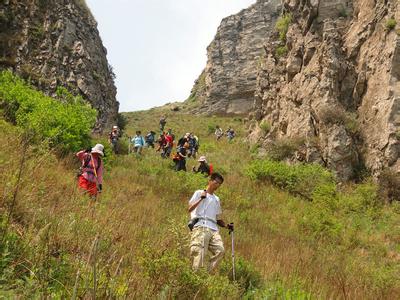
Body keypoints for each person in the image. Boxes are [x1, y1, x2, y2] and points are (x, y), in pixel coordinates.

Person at [188, 173, 233, 272]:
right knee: (200, 252)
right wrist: (201, 198)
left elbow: (217, 219)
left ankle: (206, 273)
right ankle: (196, 275)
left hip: (213, 228)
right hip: (201, 225)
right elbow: (190, 209)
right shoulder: (199, 192)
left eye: (219, 184)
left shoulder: (216, 199)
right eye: (216, 182)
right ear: (210, 180)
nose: (217, 185)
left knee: (220, 250)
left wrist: (226, 226)